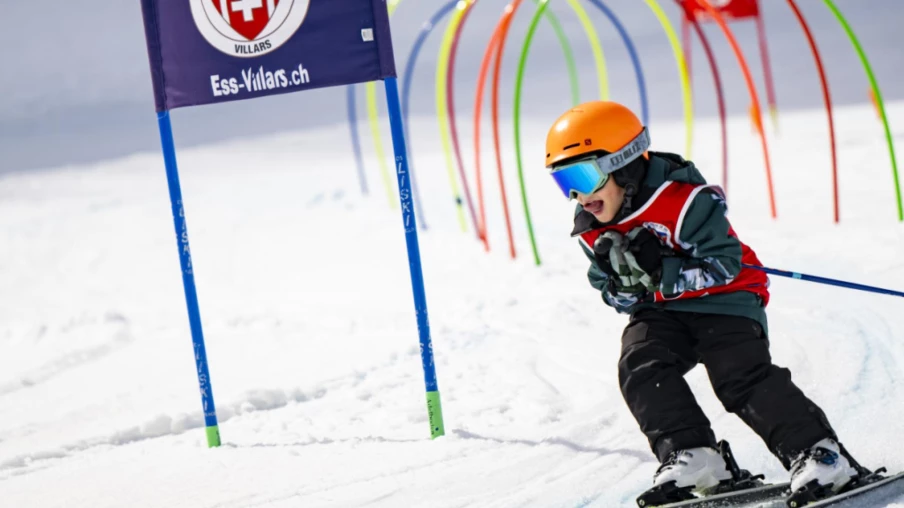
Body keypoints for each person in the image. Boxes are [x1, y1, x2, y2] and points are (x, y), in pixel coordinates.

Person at [543, 101, 858, 499]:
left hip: (726, 300)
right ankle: (693, 455)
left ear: (621, 164)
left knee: (737, 375)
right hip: (661, 311)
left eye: (582, 176)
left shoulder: (684, 200)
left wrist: (663, 272)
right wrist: (623, 282)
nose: (577, 195)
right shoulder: (591, 227)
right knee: (640, 364)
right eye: (562, 182)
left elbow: (725, 265)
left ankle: (819, 454)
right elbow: (610, 291)